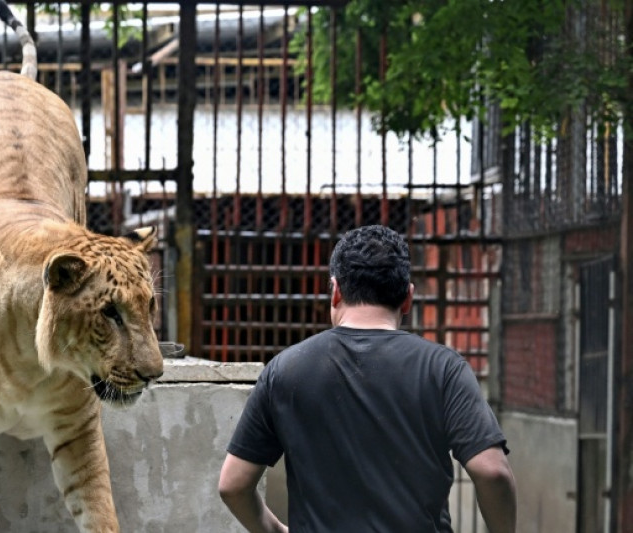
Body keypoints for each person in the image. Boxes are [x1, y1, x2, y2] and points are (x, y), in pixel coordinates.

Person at [218, 224, 516, 532]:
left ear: (335, 291)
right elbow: (492, 472)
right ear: (408, 297)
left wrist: (277, 530)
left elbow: (233, 485)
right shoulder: (443, 368)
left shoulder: (285, 369)